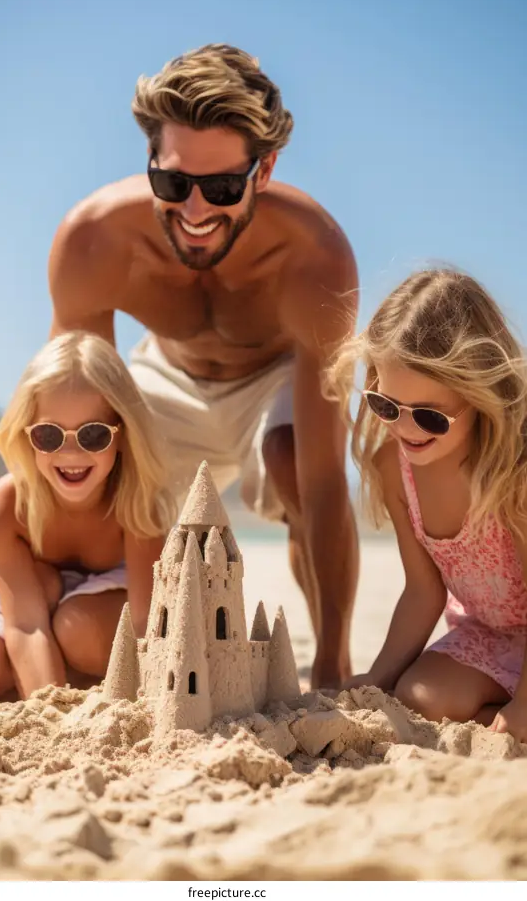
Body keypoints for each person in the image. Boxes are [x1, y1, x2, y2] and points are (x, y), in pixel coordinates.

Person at [47, 43, 359, 688]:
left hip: (271, 379)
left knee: (295, 462)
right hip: (163, 377)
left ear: (264, 171)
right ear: (150, 162)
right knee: (97, 458)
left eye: (221, 188)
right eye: (173, 182)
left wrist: (330, 668)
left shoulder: (314, 257)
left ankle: (332, 651)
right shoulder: (95, 238)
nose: (194, 211)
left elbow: (326, 480)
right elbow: (63, 409)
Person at [327, 268, 527, 741]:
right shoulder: (392, 467)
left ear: (480, 396)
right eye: (387, 407)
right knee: (418, 696)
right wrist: (377, 680)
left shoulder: (513, 469)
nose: (406, 430)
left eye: (431, 416)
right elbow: (423, 591)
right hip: (491, 633)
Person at [0, 331, 175, 706]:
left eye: (93, 434)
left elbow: (145, 623)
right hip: (19, 590)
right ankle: (50, 671)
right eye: (49, 435)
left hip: (99, 602)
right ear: (26, 432)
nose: (70, 453)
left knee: (77, 628)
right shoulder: (4, 507)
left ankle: (64, 661)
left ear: (123, 432)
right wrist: (52, 713)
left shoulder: (136, 501)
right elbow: (25, 623)